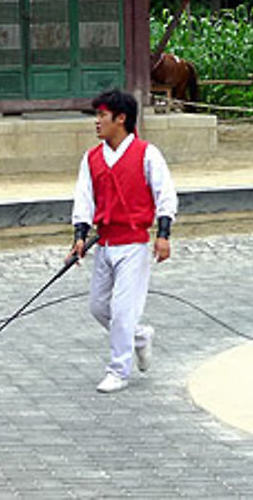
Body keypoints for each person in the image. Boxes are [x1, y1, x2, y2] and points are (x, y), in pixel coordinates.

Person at [67, 88, 177, 393]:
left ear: (121, 118)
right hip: (104, 244)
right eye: (97, 115)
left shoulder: (147, 153)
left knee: (123, 309)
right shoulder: (91, 158)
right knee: (99, 307)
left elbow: (164, 194)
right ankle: (140, 337)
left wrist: (163, 235)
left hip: (133, 244)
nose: (97, 122)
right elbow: (84, 200)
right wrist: (79, 237)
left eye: (102, 115)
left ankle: (118, 369)